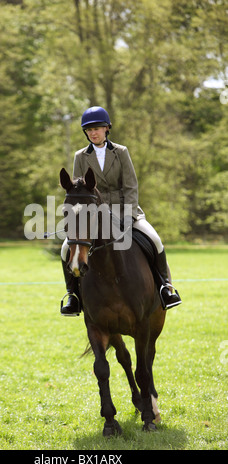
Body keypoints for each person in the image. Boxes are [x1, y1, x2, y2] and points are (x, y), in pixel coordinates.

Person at [60, 106, 181, 315]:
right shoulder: (80, 156)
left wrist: (128, 215)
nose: (93, 133)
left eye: (97, 128)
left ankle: (165, 288)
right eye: (89, 130)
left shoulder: (121, 152)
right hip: (94, 216)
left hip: (125, 210)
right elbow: (79, 189)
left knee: (155, 239)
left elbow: (131, 186)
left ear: (107, 129)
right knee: (65, 249)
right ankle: (73, 295)